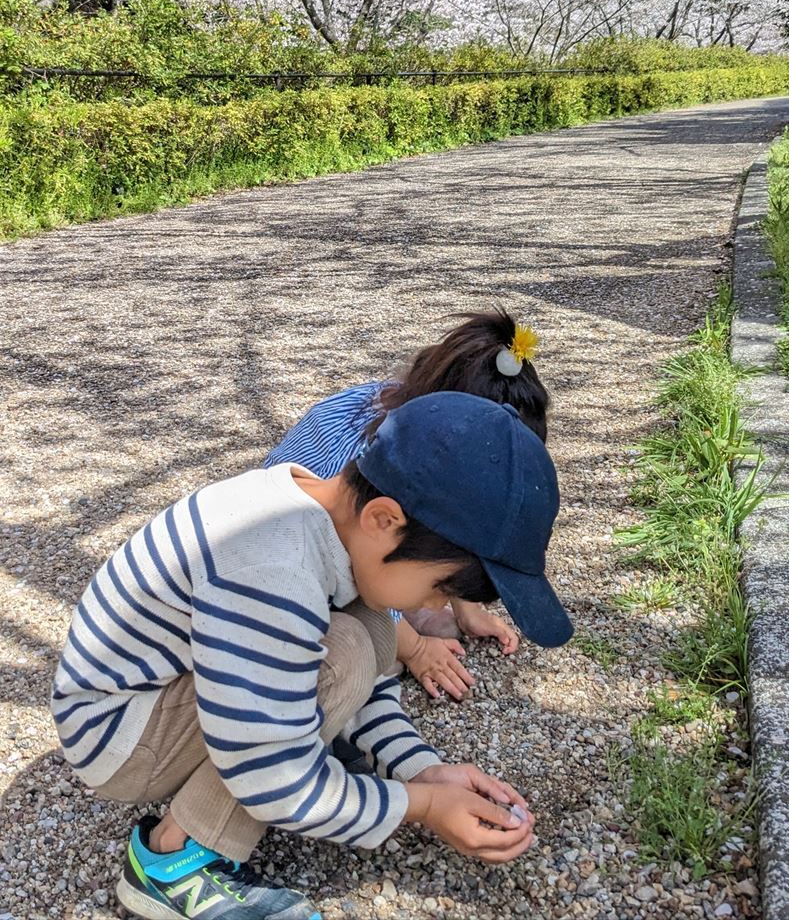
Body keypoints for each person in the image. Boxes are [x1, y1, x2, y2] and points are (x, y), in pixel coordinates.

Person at [52, 392, 573, 920]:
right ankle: (174, 862)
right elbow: (271, 775)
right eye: (440, 586)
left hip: (159, 702)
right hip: (118, 738)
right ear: (384, 519)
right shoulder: (273, 566)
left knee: (369, 628)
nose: (437, 606)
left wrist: (422, 772)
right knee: (341, 652)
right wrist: (423, 808)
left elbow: (368, 667)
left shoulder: (314, 514)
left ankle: (312, 757)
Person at [265, 309, 550, 700]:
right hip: (327, 554)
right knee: (374, 650)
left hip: (362, 547)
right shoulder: (376, 459)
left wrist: (465, 604)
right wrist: (415, 648)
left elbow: (445, 523)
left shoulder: (414, 435)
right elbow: (360, 549)